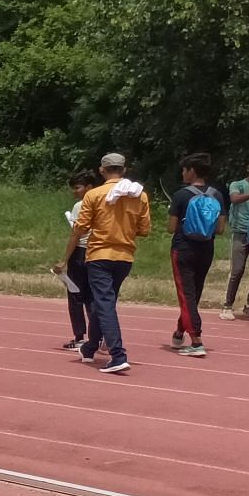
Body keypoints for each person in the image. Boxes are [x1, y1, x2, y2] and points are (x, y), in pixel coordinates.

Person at [53, 152, 152, 374]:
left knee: (104, 304)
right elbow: (144, 230)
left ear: (102, 170)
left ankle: (118, 354)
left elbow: (81, 228)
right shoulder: (140, 196)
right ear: (124, 170)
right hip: (125, 256)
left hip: (99, 255)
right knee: (102, 302)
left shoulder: (94, 195)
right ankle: (89, 348)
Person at [166, 153, 226, 357]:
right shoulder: (216, 195)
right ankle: (179, 332)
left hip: (183, 249)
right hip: (206, 249)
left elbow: (171, 227)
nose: (183, 173)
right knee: (194, 294)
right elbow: (220, 229)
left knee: (186, 294)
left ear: (192, 170)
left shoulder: (181, 195)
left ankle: (196, 340)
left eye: (184, 169)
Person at [220, 157, 249, 320]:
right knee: (238, 270)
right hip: (240, 232)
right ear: (248, 168)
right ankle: (227, 305)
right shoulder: (237, 184)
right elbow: (234, 199)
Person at [60, 169, 97, 351]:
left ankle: (80, 336)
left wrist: (64, 260)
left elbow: (76, 235)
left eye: (77, 187)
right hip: (98, 252)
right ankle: (97, 335)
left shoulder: (80, 205)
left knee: (75, 295)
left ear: (89, 187)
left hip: (81, 252)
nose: (74, 192)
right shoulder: (105, 202)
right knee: (92, 296)